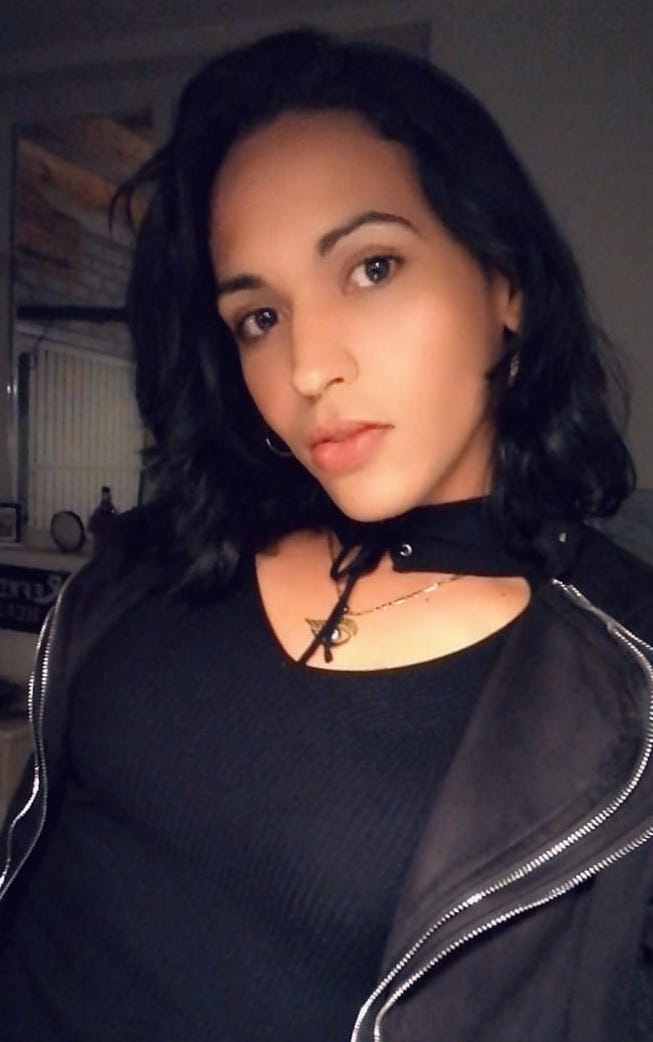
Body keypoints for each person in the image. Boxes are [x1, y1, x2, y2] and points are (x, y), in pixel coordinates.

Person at [1, 28, 652, 1042]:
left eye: (371, 266)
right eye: (257, 317)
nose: (307, 366)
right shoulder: (154, 562)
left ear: (505, 282)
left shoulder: (622, 686)